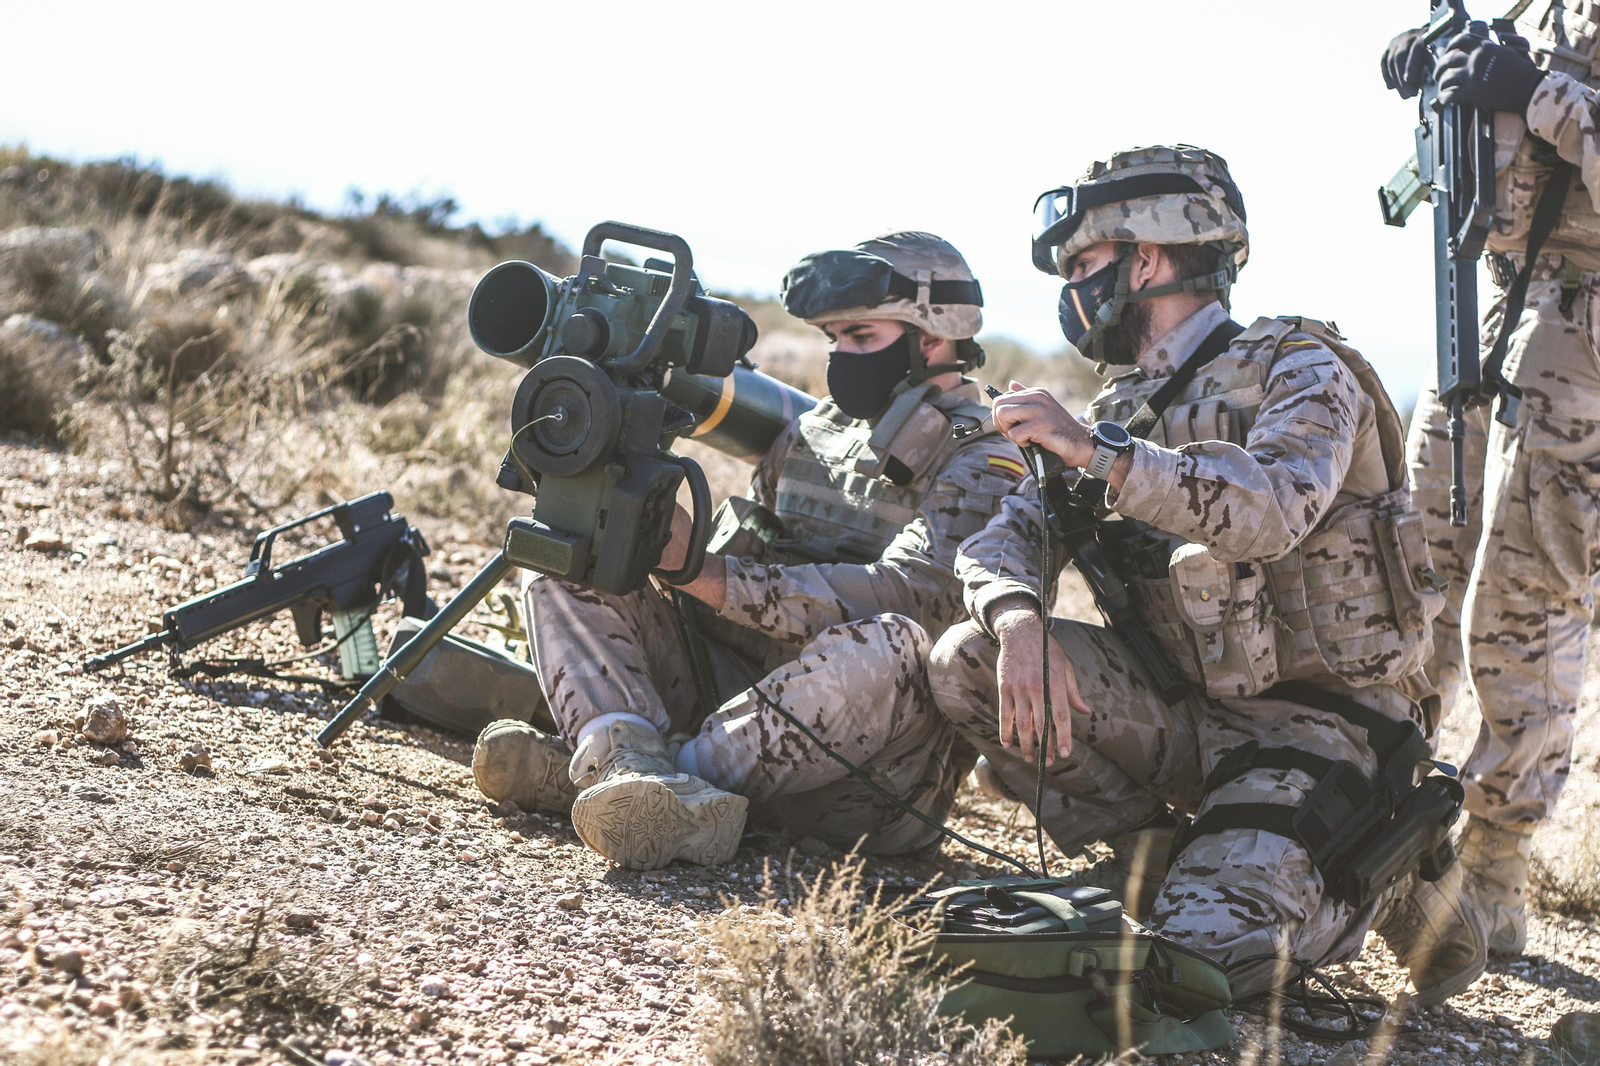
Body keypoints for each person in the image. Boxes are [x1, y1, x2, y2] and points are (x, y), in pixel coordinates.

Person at [928, 144, 1488, 1004]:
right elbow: (1006, 541)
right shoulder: (1117, 411)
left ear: (1146, 258)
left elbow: (1273, 508)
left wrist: (1100, 455)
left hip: (1320, 728)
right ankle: (1163, 856)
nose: (1071, 291)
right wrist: (1017, 618)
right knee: (965, 660)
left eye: (1084, 264)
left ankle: (1386, 866)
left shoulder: (1300, 366)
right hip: (1187, 719)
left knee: (1202, 962)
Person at [472, 232, 1026, 870]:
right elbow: (746, 555)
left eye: (864, 338)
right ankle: (629, 766)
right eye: (835, 339)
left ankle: (642, 784)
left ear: (934, 339)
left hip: (868, 779)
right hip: (732, 698)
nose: (843, 357)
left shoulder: (982, 456)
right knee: (567, 561)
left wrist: (702, 572)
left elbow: (918, 598)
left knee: (893, 640)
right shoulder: (813, 434)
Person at [1382, 6, 1600, 956]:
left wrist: (1539, 94)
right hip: (1491, 298)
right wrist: (1445, 71)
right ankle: (1384, 821)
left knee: (1519, 608)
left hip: (1584, 334)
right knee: (1407, 569)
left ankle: (1491, 878)